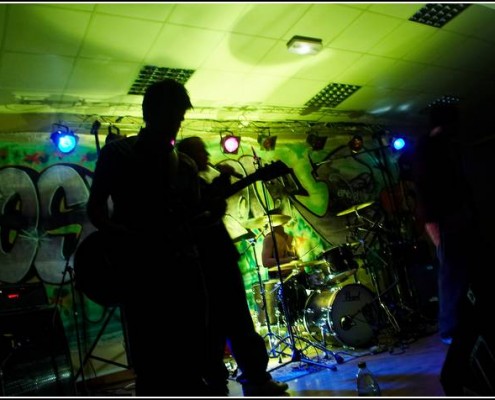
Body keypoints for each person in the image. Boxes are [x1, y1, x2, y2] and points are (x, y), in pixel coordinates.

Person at [85, 80, 210, 396]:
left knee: (192, 358)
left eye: (180, 115)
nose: (178, 122)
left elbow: (193, 219)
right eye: (173, 114)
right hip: (142, 275)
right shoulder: (118, 153)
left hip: (184, 270)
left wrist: (212, 213)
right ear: (150, 113)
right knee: (151, 366)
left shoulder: (185, 164)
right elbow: (95, 207)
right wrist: (119, 235)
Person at [176, 136, 289, 397]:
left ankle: (238, 383)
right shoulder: (186, 185)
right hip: (214, 265)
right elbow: (206, 211)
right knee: (235, 326)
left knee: (221, 329)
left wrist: (222, 184)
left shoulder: (196, 184)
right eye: (200, 150)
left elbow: (209, 203)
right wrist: (222, 184)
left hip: (213, 264)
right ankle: (252, 382)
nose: (206, 154)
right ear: (188, 158)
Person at [412, 102, 479, 345]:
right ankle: (450, 329)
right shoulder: (430, 148)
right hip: (442, 216)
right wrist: (434, 224)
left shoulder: (438, 147)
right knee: (451, 271)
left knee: (458, 268)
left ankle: (458, 324)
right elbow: (428, 188)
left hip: (448, 215)